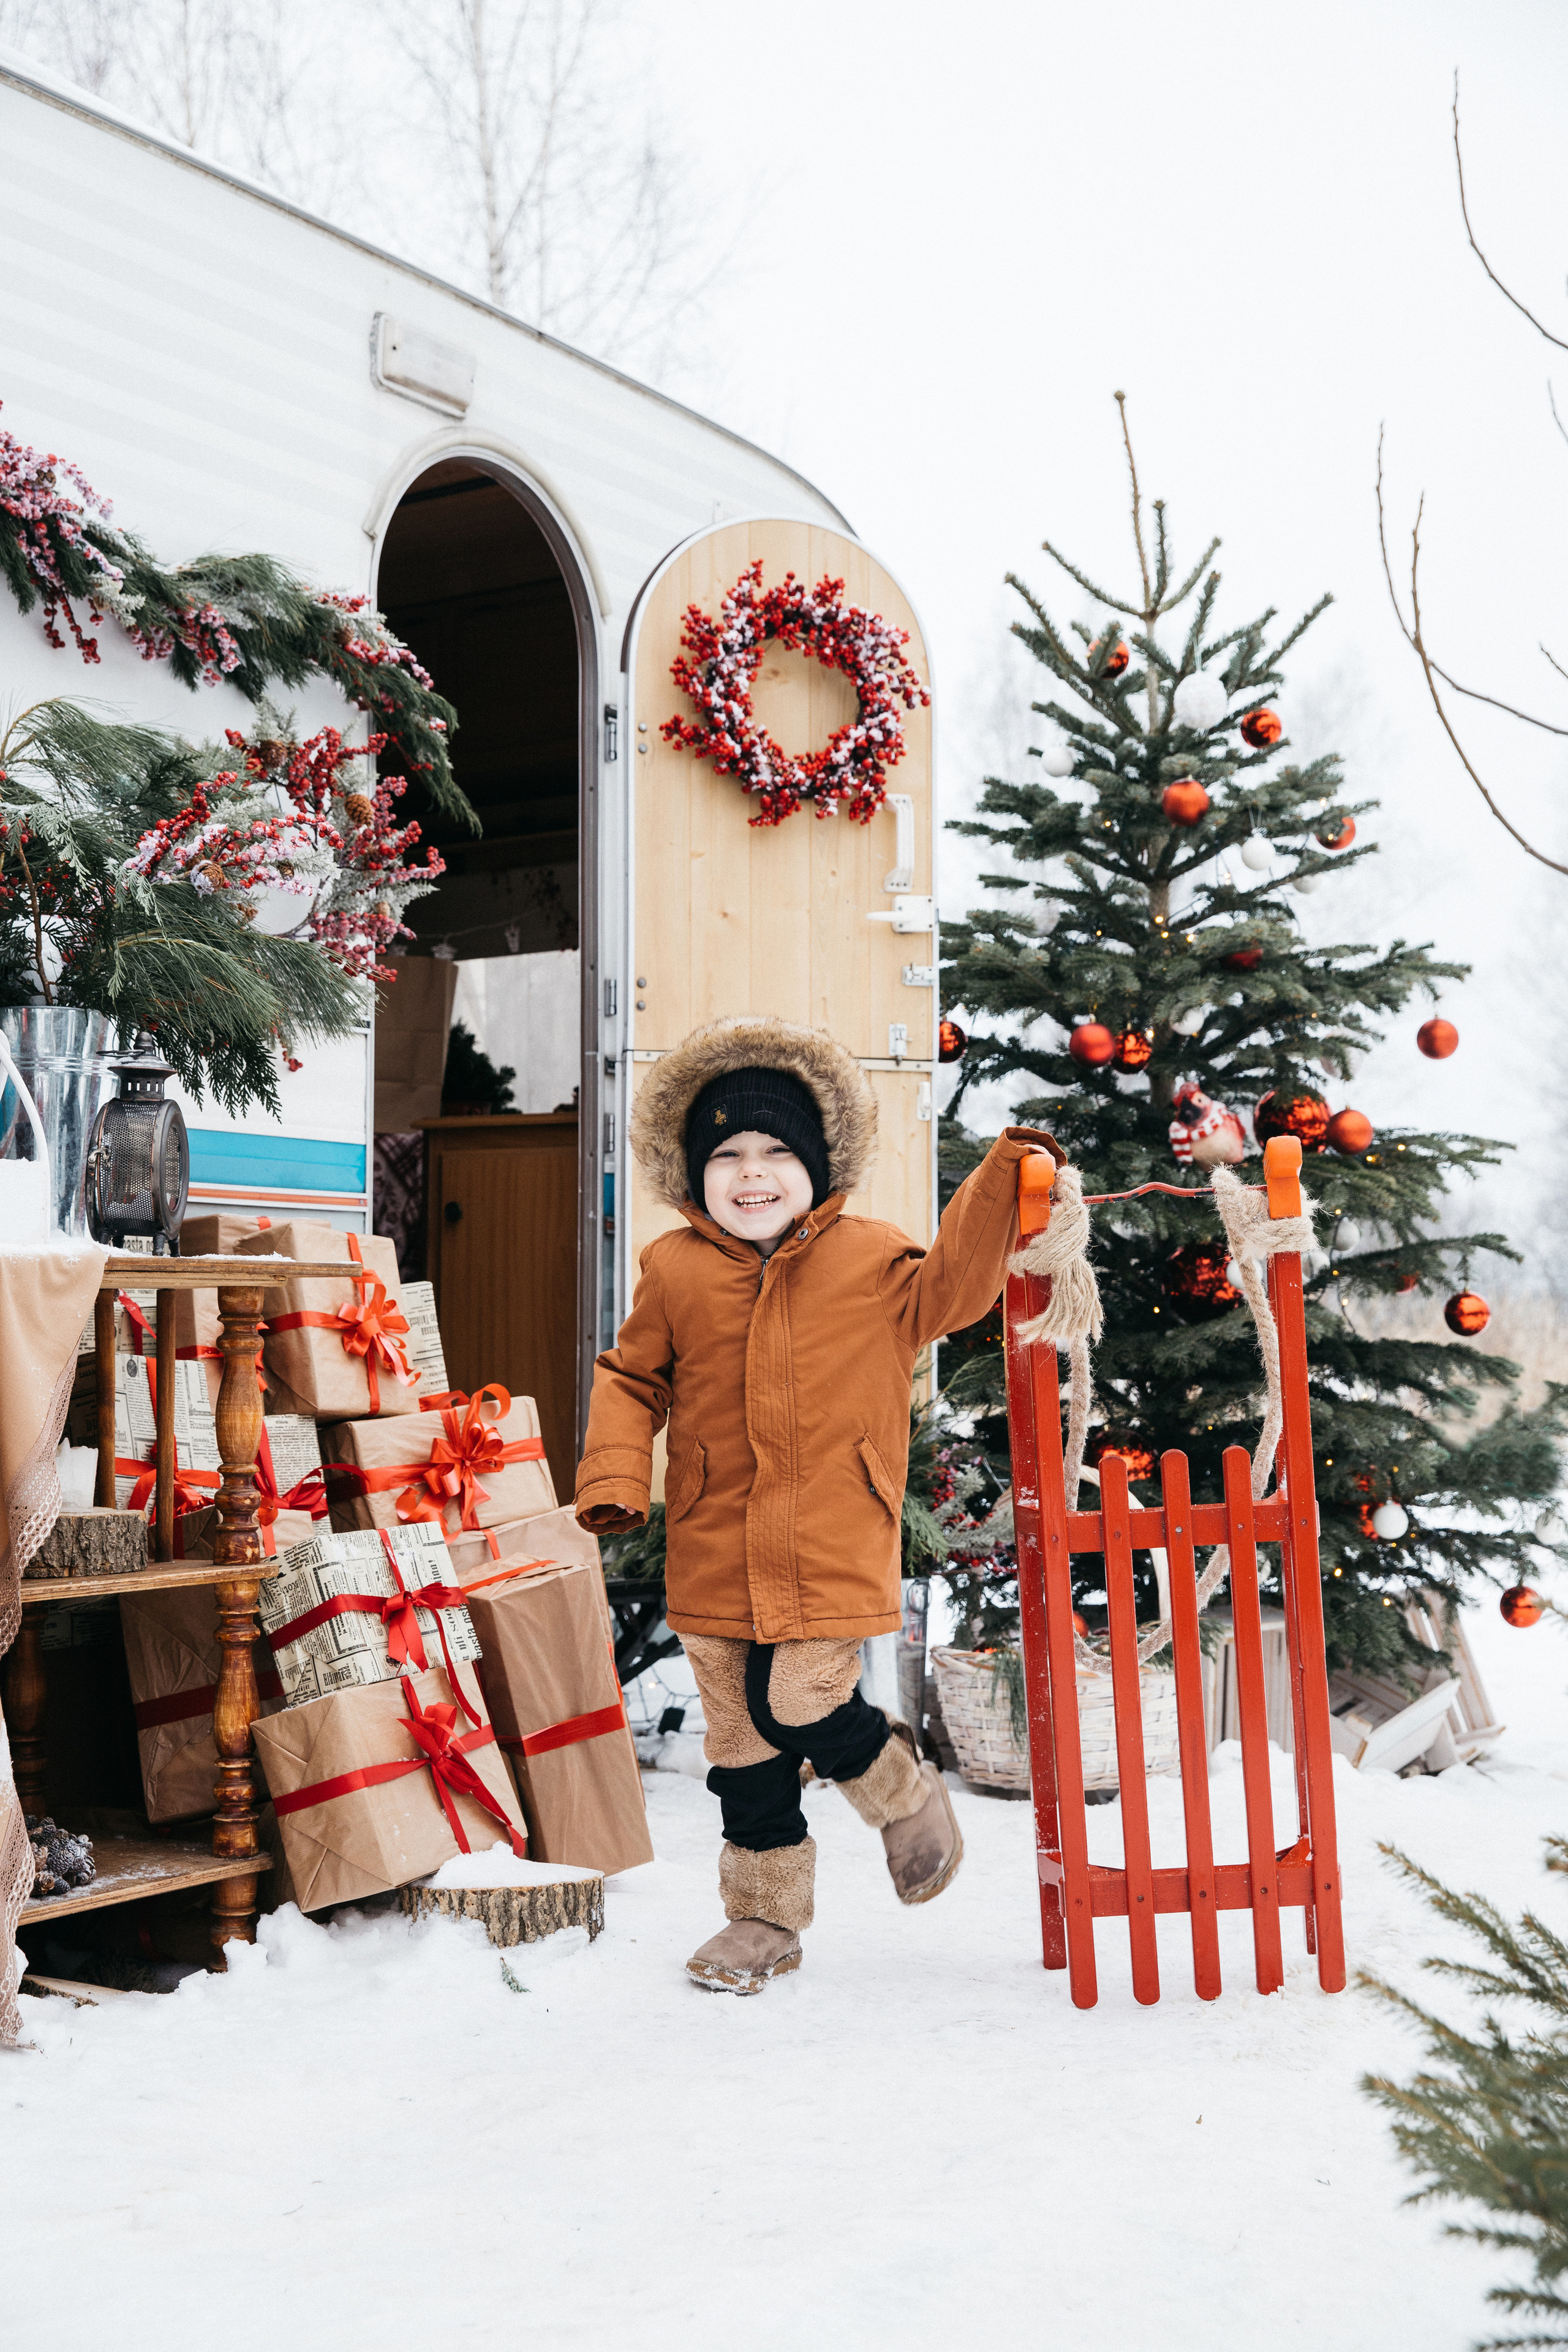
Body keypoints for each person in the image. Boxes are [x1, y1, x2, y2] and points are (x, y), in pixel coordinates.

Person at [575, 1015, 1060, 1994]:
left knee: (797, 1698)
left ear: (819, 1165)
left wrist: (1003, 1177)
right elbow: (632, 1378)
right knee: (739, 1740)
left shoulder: (874, 1260)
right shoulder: (674, 1268)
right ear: (694, 1171)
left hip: (833, 1533)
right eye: (727, 1156)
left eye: (776, 1154)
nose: (751, 1174)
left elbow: (958, 1288)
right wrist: (616, 1477)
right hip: (713, 1539)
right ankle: (763, 1918)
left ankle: (900, 1791)